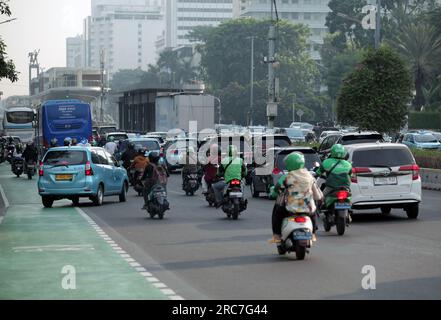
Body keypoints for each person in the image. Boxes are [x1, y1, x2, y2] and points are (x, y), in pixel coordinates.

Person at [269, 152, 323, 244]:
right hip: (307, 208)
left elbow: (277, 188)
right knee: (314, 213)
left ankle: (277, 236)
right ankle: (313, 234)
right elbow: (317, 195)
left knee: (277, 214)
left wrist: (273, 193)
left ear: (289, 164)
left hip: (291, 208)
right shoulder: (309, 176)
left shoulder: (287, 177)